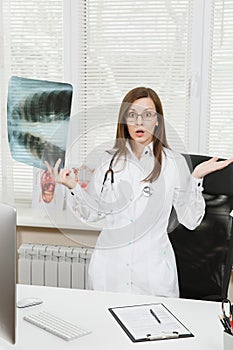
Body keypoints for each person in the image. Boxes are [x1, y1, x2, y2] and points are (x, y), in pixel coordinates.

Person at [46, 87, 233, 297]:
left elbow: (191, 220)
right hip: (109, 270)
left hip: (153, 273)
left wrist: (196, 179)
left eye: (147, 114)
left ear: (158, 121)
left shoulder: (174, 163)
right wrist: (73, 187)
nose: (139, 122)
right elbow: (93, 213)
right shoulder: (109, 161)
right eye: (132, 115)